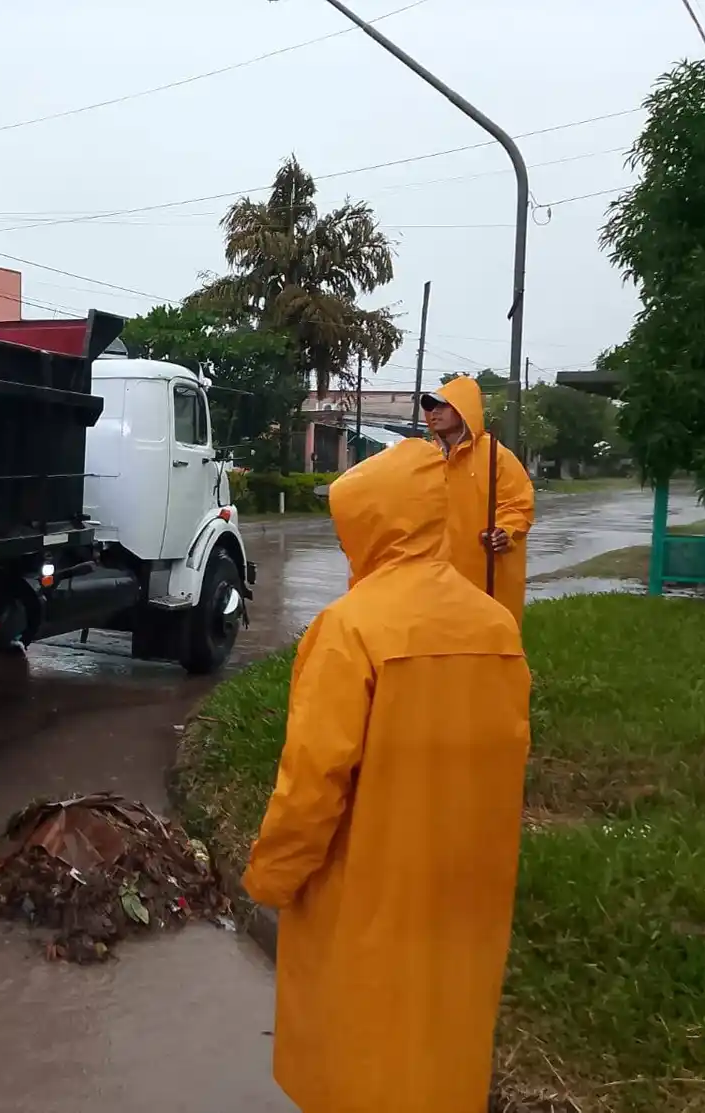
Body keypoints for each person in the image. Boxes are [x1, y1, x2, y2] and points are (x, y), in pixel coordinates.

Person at [241, 437, 531, 1113]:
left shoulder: (350, 630)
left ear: (373, 523)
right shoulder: (496, 626)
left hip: (369, 892)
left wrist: (272, 877)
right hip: (467, 892)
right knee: (445, 1041)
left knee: (362, 1050)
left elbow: (311, 785)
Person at [420, 375, 535, 628]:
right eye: (429, 407)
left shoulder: (496, 456)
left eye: (441, 406)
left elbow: (518, 504)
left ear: (463, 409)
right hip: (437, 572)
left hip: (485, 572)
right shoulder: (426, 458)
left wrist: (505, 531)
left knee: (486, 639)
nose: (433, 413)